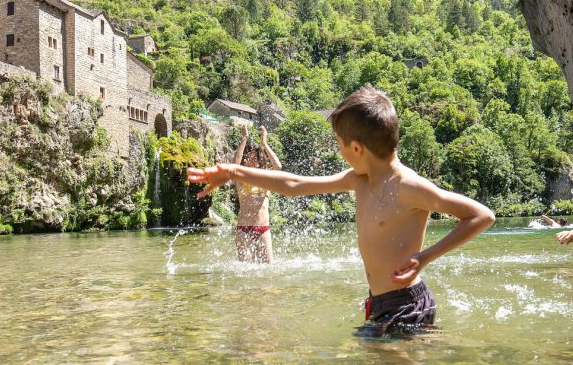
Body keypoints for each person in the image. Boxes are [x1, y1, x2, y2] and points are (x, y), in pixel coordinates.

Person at [189, 86, 496, 336]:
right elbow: (295, 184)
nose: (339, 151)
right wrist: (233, 172)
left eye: (339, 144)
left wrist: (424, 257)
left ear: (358, 148)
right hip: (380, 302)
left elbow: (482, 216)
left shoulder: (409, 187)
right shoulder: (360, 179)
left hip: (407, 305)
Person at [232, 125, 282, 263]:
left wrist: (264, 143)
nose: (250, 162)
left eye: (254, 159)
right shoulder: (241, 179)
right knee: (246, 270)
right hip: (243, 229)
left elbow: (278, 166)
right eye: (247, 159)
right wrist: (244, 139)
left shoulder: (265, 178)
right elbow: (235, 164)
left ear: (260, 161)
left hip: (263, 228)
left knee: (268, 268)